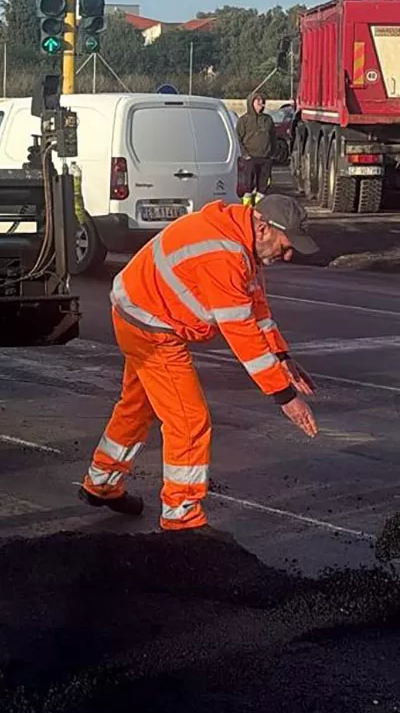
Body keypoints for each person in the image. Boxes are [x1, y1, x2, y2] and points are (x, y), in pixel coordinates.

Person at [81, 195, 319, 535]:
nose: (289, 254)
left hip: (140, 311)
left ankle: (101, 483)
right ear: (264, 228)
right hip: (151, 326)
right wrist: (285, 397)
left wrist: (283, 357)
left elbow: (257, 308)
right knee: (189, 421)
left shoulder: (240, 240)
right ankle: (182, 518)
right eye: (286, 245)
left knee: (137, 407)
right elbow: (242, 333)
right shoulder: (223, 254)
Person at [236, 92, 276, 205]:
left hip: (265, 158)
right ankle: (247, 209)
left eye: (262, 101)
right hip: (249, 159)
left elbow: (273, 137)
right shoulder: (244, 120)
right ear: (251, 103)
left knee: (262, 188)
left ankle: (259, 208)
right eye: (258, 100)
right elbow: (238, 138)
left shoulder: (268, 120)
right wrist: (245, 154)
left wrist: (272, 154)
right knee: (248, 187)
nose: (261, 103)